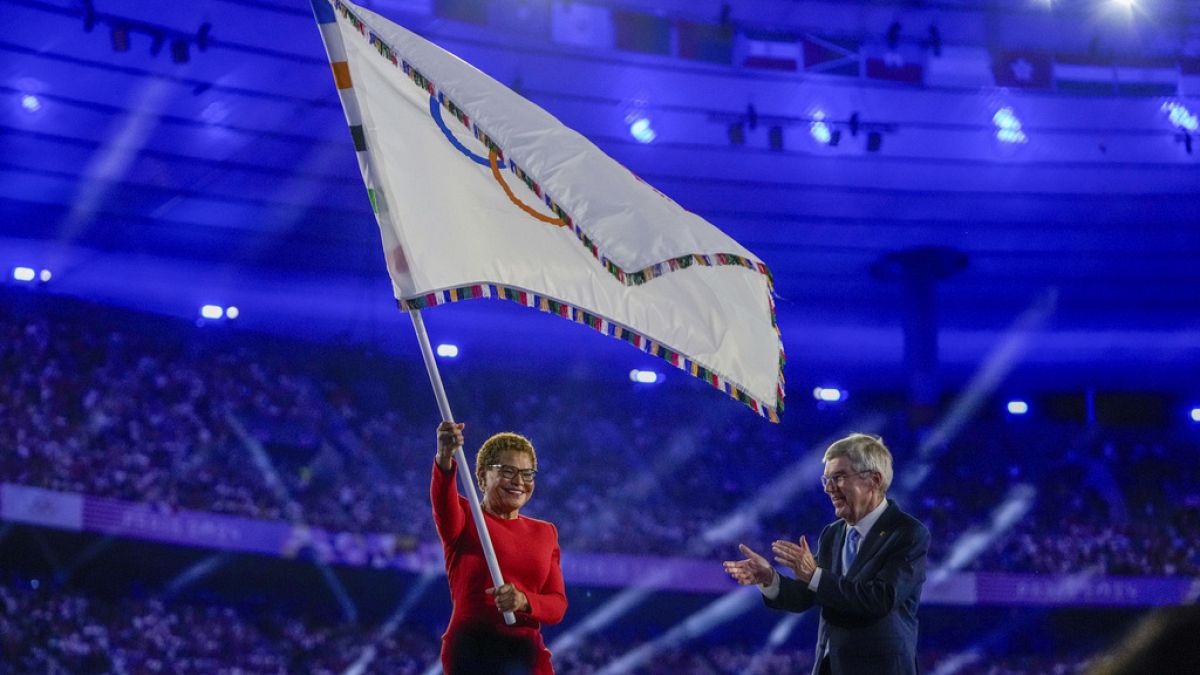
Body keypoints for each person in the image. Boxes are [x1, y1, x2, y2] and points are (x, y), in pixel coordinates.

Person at [723, 433, 929, 675]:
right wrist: (770, 579)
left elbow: (880, 599)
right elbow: (808, 593)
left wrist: (814, 576)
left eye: (839, 478)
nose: (829, 489)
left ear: (873, 479)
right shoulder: (833, 533)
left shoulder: (907, 532)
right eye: (826, 480)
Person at [432, 421, 567, 675]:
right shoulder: (464, 516)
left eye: (527, 474)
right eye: (507, 471)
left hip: (526, 654)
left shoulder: (545, 532)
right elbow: (442, 498)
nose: (519, 481)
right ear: (482, 475)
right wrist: (444, 457)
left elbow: (557, 604)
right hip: (473, 651)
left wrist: (524, 600)